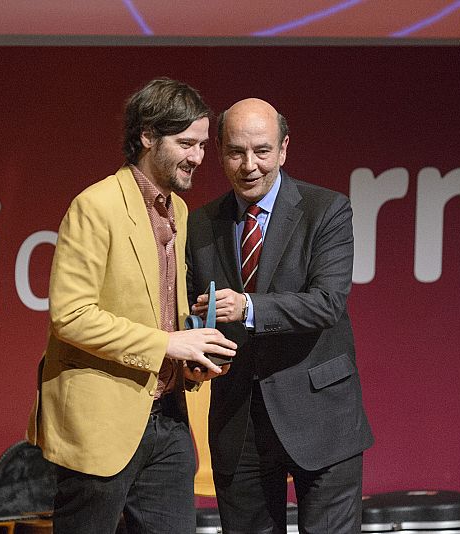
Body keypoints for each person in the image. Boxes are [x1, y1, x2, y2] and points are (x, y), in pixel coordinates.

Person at [29, 78, 236, 534]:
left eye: (202, 145)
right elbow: (72, 316)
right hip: (102, 421)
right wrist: (167, 343)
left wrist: (193, 353)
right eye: (185, 143)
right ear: (146, 136)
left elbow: (162, 308)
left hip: (169, 418)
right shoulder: (95, 206)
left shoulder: (179, 211)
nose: (198, 157)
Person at [186, 98, 374, 534]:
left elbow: (328, 301)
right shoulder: (200, 224)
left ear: (284, 149)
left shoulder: (325, 210)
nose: (249, 165)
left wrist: (248, 307)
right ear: (219, 153)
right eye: (236, 152)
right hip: (239, 419)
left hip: (321, 413)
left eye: (262, 151)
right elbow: (196, 311)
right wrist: (195, 350)